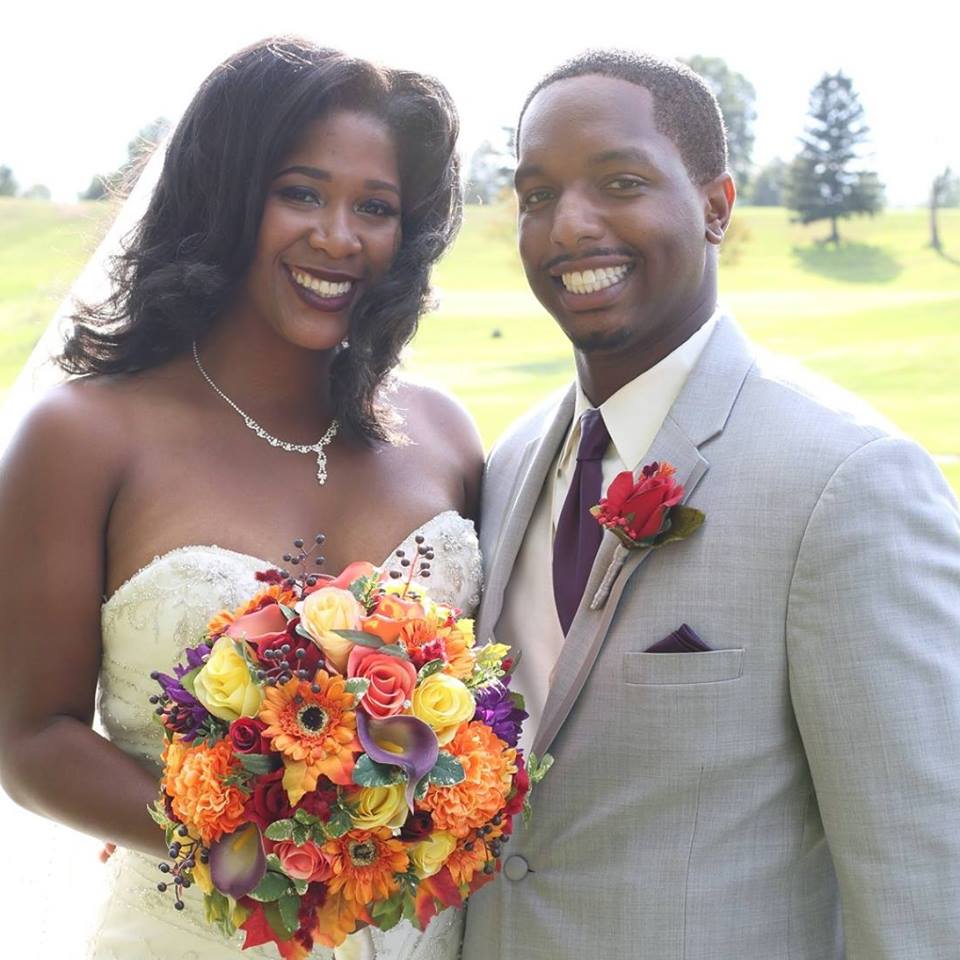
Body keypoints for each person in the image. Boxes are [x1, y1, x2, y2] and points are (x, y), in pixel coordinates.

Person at [462, 49, 960, 960]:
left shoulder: (849, 484)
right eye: (537, 196)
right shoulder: (508, 463)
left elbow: (922, 877)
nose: (569, 226)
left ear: (717, 207)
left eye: (620, 181)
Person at [0, 37, 482, 960]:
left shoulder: (448, 437)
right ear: (226, 197)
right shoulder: (83, 437)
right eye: (301, 192)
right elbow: (31, 739)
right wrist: (256, 850)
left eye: (374, 207)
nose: (339, 237)